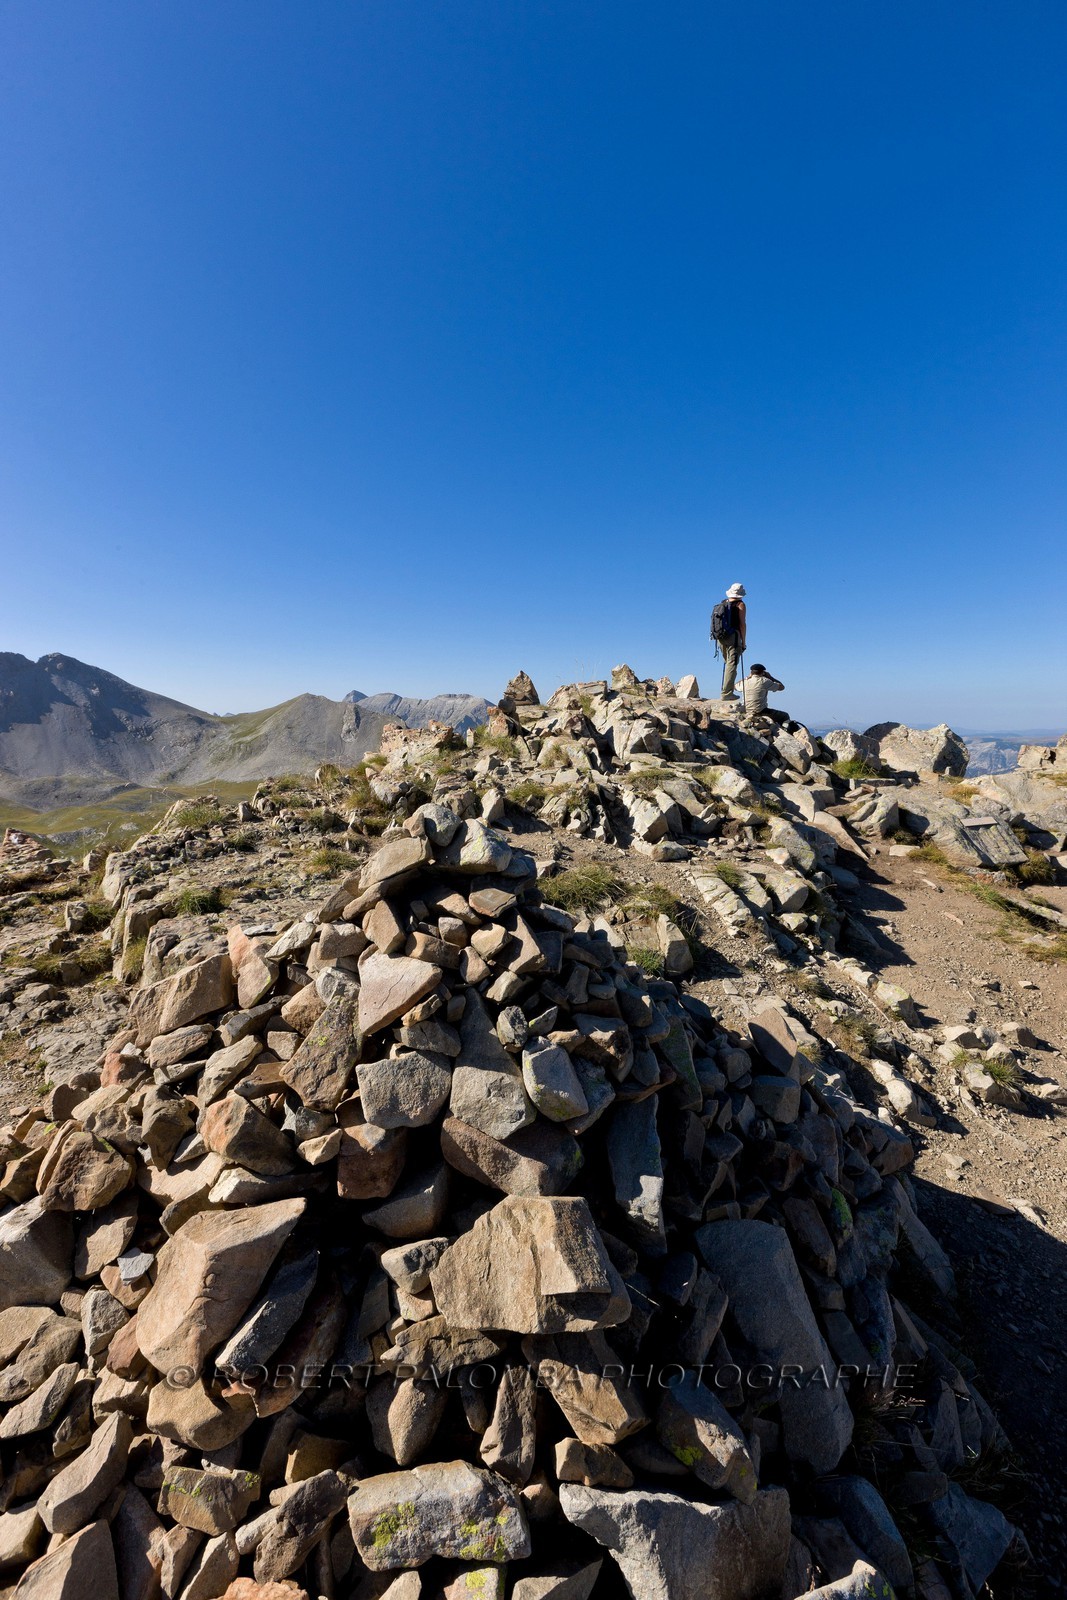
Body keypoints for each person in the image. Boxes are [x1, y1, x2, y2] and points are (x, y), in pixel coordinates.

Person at [717, 582, 747, 700]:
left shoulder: (723, 603)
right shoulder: (740, 604)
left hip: (720, 637)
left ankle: (726, 690)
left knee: (728, 663)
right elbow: (742, 624)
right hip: (733, 637)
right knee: (732, 665)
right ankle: (726, 694)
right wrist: (743, 642)